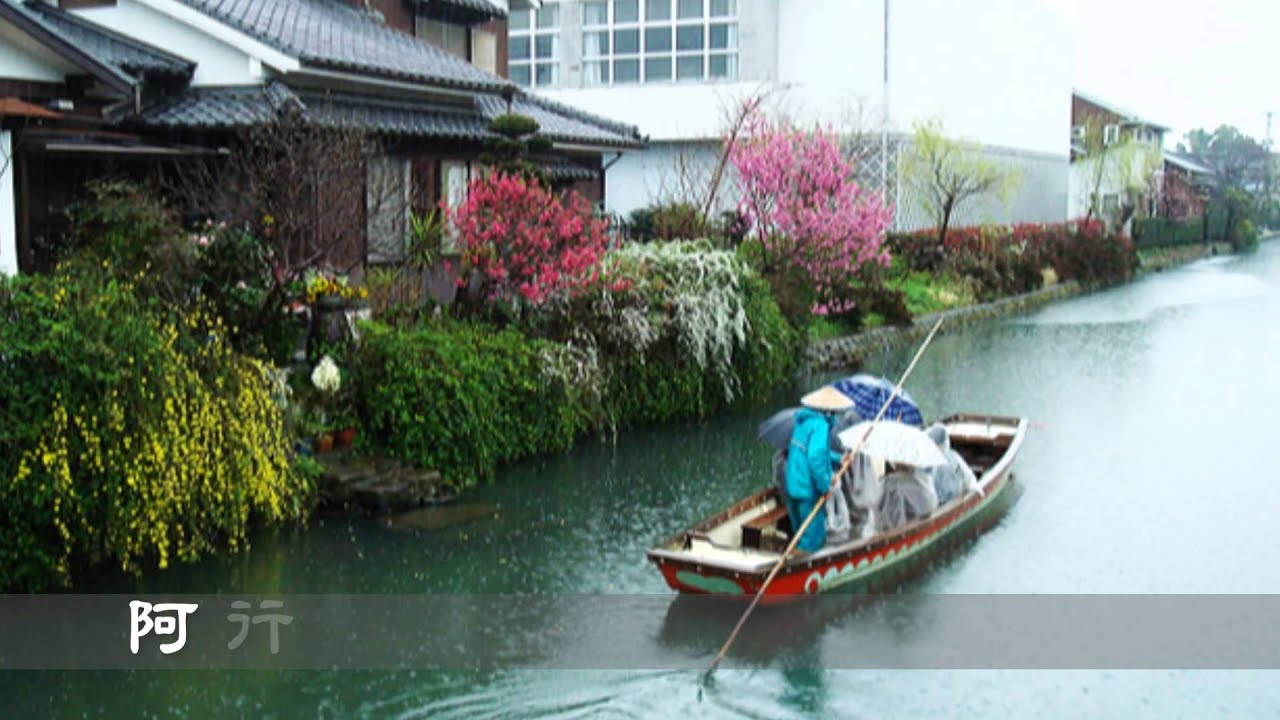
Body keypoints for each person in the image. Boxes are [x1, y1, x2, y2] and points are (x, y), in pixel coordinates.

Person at [784, 387, 855, 553]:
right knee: (811, 539)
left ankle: (794, 554)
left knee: (799, 532)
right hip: (808, 488)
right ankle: (800, 566)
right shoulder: (820, 426)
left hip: (793, 483)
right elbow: (815, 458)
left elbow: (810, 451)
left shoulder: (802, 423)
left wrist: (838, 458)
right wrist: (825, 486)